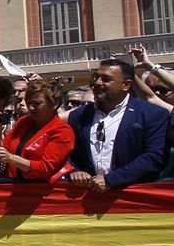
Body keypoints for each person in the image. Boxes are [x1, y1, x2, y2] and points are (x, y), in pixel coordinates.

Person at [66, 59, 169, 191]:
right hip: (88, 198)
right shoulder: (78, 115)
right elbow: (67, 151)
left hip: (133, 200)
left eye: (106, 79)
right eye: (96, 77)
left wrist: (112, 180)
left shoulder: (151, 114)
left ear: (126, 85)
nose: (97, 83)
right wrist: (75, 171)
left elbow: (154, 157)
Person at [0, 80, 74, 181]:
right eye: (29, 102)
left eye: (37, 103)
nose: (31, 107)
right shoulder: (23, 122)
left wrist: (11, 158)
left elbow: (44, 168)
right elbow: (2, 151)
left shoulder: (63, 131)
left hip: (40, 191)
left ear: (55, 104)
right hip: (12, 186)